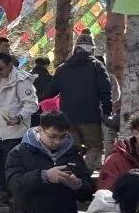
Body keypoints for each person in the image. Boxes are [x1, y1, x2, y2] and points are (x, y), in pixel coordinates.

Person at [45, 32, 112, 171]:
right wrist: (107, 112)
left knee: (71, 148)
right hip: (90, 117)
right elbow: (105, 92)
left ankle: (72, 173)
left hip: (68, 117)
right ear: (91, 49)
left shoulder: (63, 68)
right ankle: (85, 174)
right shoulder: (97, 66)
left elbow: (50, 92)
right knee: (95, 147)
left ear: (76, 49)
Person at [0, 52, 38, 206]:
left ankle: (14, 194)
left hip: (14, 129)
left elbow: (32, 104)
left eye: (0, 68)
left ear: (10, 65)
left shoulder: (22, 79)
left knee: (11, 164)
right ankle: (4, 190)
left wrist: (19, 117)